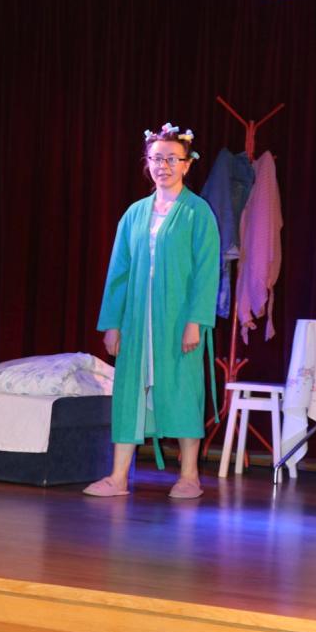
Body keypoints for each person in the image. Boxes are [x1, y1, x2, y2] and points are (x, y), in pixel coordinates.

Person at [83, 123, 220, 499]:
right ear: (147, 162)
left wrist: (196, 321)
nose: (164, 166)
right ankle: (118, 477)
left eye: (172, 159)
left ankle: (189, 475)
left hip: (178, 320)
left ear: (187, 164)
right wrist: (112, 324)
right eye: (157, 159)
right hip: (136, 320)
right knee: (129, 391)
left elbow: (207, 272)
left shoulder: (197, 213)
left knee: (183, 388)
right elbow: (119, 272)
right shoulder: (135, 214)